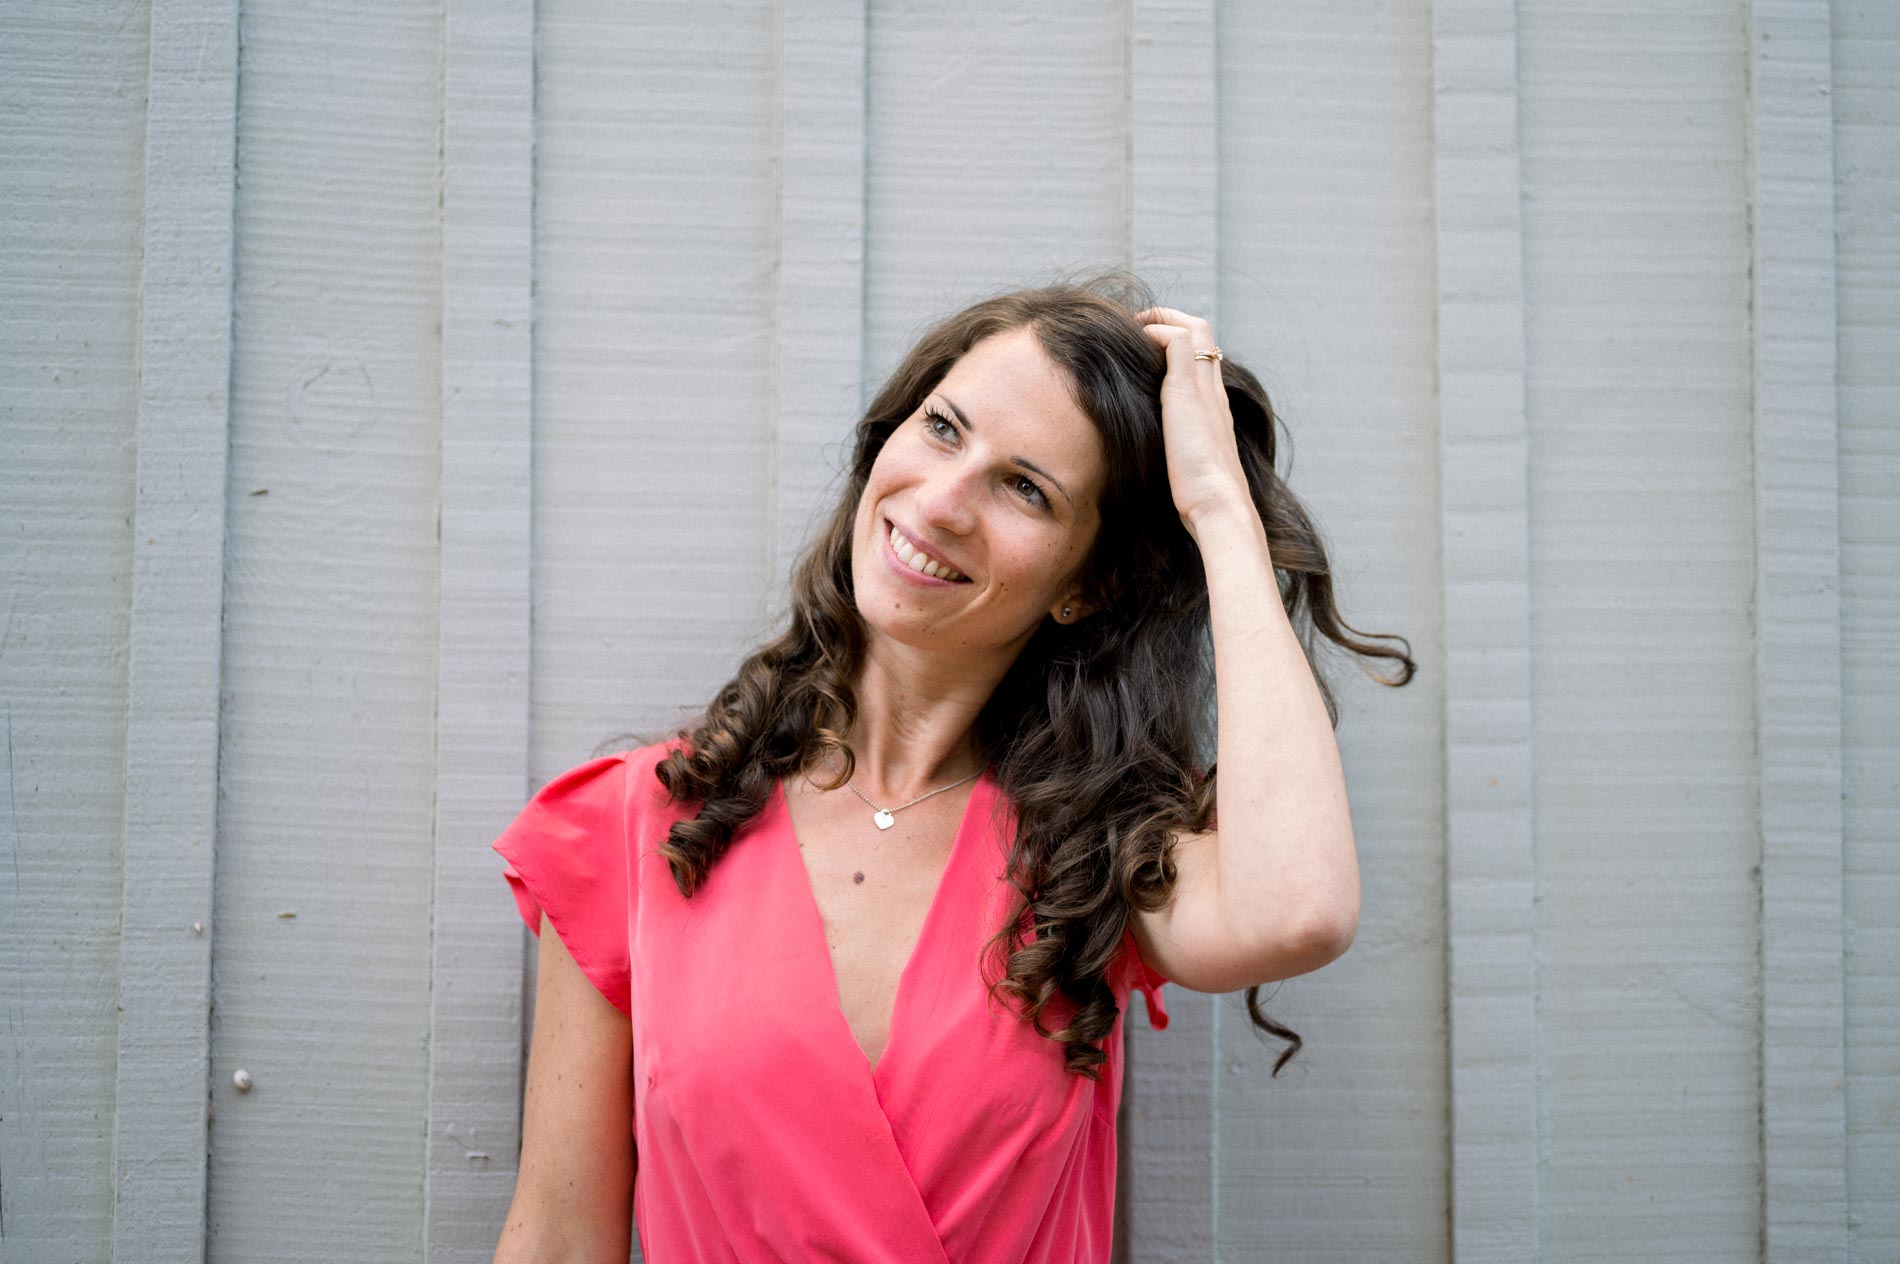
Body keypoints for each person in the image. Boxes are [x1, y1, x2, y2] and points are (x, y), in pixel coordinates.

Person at [489, 276, 1414, 1263]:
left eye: (1025, 487)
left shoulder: (1090, 852)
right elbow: (555, 1236)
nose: (941, 501)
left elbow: (1297, 910)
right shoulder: (640, 824)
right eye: (940, 428)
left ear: (1085, 583)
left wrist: (1219, 510)